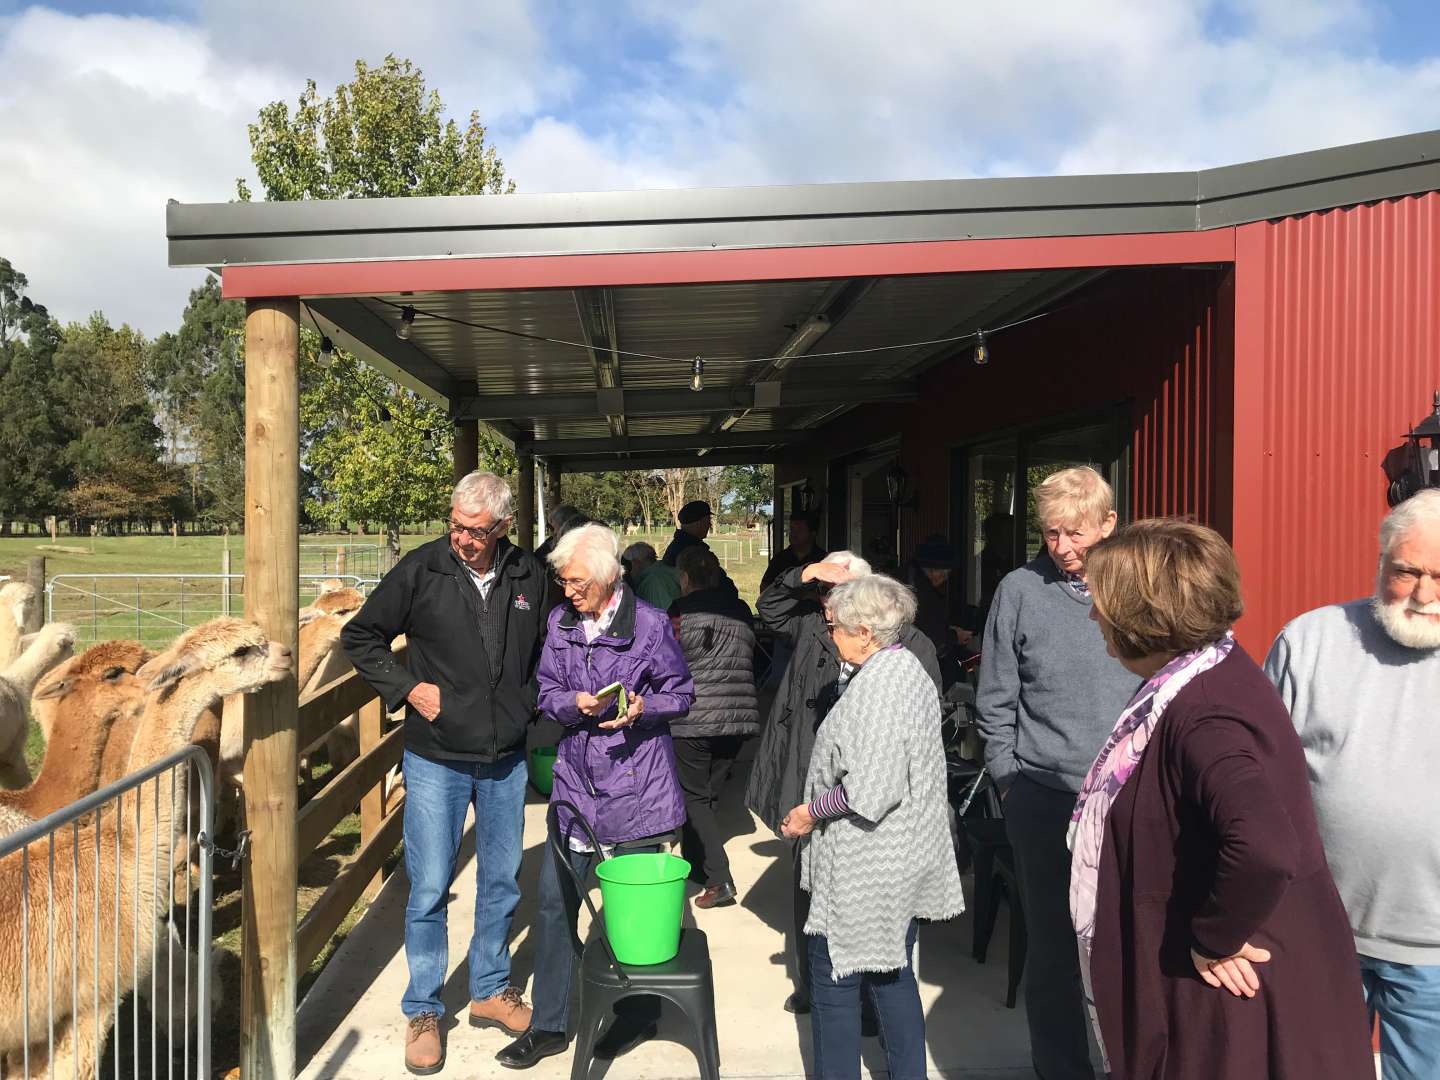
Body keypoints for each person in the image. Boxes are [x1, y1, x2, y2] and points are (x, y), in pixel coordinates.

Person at [1074, 519, 1372, 1078]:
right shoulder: (1204, 674)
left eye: (1103, 604)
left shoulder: (1207, 710)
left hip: (1235, 996)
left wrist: (1214, 937)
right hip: (1234, 986)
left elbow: (1264, 845)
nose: (1094, 617)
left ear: (1146, 614)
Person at [341, 471, 548, 1076]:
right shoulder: (421, 569)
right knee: (429, 886)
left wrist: (531, 699)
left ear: (503, 527)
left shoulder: (527, 575)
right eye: (455, 525)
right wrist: (407, 689)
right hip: (435, 757)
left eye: (476, 531)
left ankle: (489, 988)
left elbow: (550, 644)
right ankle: (425, 1007)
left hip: (505, 756)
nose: (462, 538)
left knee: (503, 879)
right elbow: (362, 636)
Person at [495, 523, 695, 1071]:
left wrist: (642, 709)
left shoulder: (651, 626)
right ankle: (550, 1025)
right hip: (575, 787)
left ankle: (630, 1016)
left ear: (608, 578)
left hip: (636, 790)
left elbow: (681, 694)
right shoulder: (561, 622)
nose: (567, 591)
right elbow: (547, 689)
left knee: (629, 916)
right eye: (563, 580)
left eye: (577, 581)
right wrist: (571, 704)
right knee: (557, 906)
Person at [1264, 487, 1440, 1080]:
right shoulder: (1310, 641)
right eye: (1406, 571)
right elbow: (1255, 787)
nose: (1422, 594)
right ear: (1380, 563)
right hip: (1317, 930)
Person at [975, 466, 1139, 1080]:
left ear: (1108, 524)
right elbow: (996, 696)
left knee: (1130, 945)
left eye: (1076, 533)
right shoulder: (1020, 590)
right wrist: (1009, 779)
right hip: (1043, 797)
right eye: (1051, 535)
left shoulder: (1137, 586)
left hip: (1129, 797)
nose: (1064, 548)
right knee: (1053, 954)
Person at [780, 574, 964, 1080]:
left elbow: (870, 790)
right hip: (894, 861)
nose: (829, 633)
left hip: (870, 862)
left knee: (834, 980)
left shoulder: (883, 685)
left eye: (835, 626)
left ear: (865, 632)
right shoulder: (901, 670)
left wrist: (809, 812)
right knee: (891, 977)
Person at [746, 550, 941, 1017]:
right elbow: (769, 609)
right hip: (814, 771)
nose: (826, 604)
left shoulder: (913, 645)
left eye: (835, 594)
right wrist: (805, 574)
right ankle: (815, 985)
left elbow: (924, 727)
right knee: (807, 884)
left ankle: (873, 1002)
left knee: (873, 900)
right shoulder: (816, 628)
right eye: (824, 595)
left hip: (875, 794)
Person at [668, 545, 760, 909]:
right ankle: (697, 863)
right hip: (739, 718)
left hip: (694, 717)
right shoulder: (740, 610)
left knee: (695, 796)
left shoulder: (679, 611)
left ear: (686, 579)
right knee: (706, 795)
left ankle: (719, 879)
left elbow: (667, 657)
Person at [760, 509, 828, 591]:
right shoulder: (780, 559)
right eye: (792, 529)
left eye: (799, 530)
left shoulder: (824, 561)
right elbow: (764, 589)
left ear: (812, 534)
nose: (794, 534)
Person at [622, 540, 682, 610]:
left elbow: (663, 615)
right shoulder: (664, 572)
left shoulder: (652, 582)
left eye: (627, 564)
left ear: (635, 563)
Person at [662, 499, 713, 566]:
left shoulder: (677, 545)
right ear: (699, 523)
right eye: (708, 521)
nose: (710, 525)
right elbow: (713, 575)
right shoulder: (692, 552)